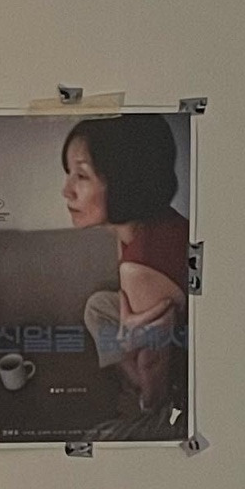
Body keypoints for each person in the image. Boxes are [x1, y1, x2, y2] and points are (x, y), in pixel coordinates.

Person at [60, 113, 188, 416]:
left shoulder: (142, 265)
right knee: (97, 307)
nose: (66, 190)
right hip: (176, 330)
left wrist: (148, 400)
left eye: (82, 176)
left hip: (180, 366)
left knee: (141, 368)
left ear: (124, 182)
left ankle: (134, 390)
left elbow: (153, 363)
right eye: (69, 173)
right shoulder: (138, 225)